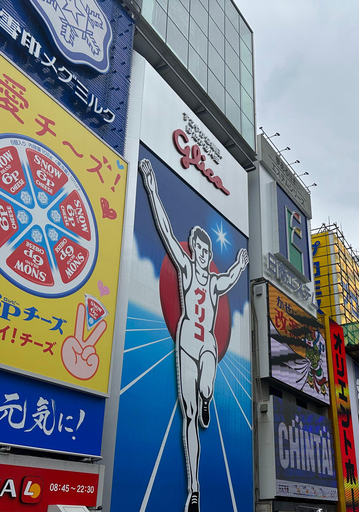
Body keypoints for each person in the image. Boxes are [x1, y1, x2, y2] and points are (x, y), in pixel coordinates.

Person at [139, 158, 248, 512]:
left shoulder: (215, 282)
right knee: (188, 418)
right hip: (186, 341)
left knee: (207, 369)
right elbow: (166, 231)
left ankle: (207, 396)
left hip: (206, 344)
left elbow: (230, 279)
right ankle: (194, 488)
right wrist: (153, 190)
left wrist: (241, 266)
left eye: (206, 252)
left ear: (210, 255)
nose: (201, 255)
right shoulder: (185, 269)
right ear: (194, 251)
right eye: (198, 250)